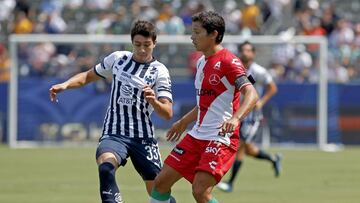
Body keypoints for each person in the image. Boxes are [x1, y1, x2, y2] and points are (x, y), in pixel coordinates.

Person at [49, 20, 176, 203]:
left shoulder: (160, 71)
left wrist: (153, 101)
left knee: (158, 193)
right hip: (114, 133)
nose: (141, 49)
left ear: (154, 43)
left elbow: (167, 113)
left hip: (143, 137)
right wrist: (65, 84)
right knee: (106, 167)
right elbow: (87, 76)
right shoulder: (118, 59)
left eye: (146, 45)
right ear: (132, 43)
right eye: (137, 45)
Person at [149, 11, 259, 203]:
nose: (192, 37)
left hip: (220, 138)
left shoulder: (229, 62)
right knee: (160, 183)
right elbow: (204, 104)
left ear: (214, 34)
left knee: (200, 192)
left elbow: (252, 94)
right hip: (197, 135)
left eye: (197, 32)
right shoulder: (201, 62)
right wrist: (183, 122)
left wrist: (235, 118)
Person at [217, 41, 282, 193]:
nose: (245, 53)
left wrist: (261, 102)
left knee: (240, 145)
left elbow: (272, 88)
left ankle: (230, 183)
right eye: (243, 50)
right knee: (248, 149)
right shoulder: (235, 67)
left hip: (251, 116)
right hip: (235, 113)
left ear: (253, 53)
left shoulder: (258, 71)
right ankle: (273, 159)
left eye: (248, 50)